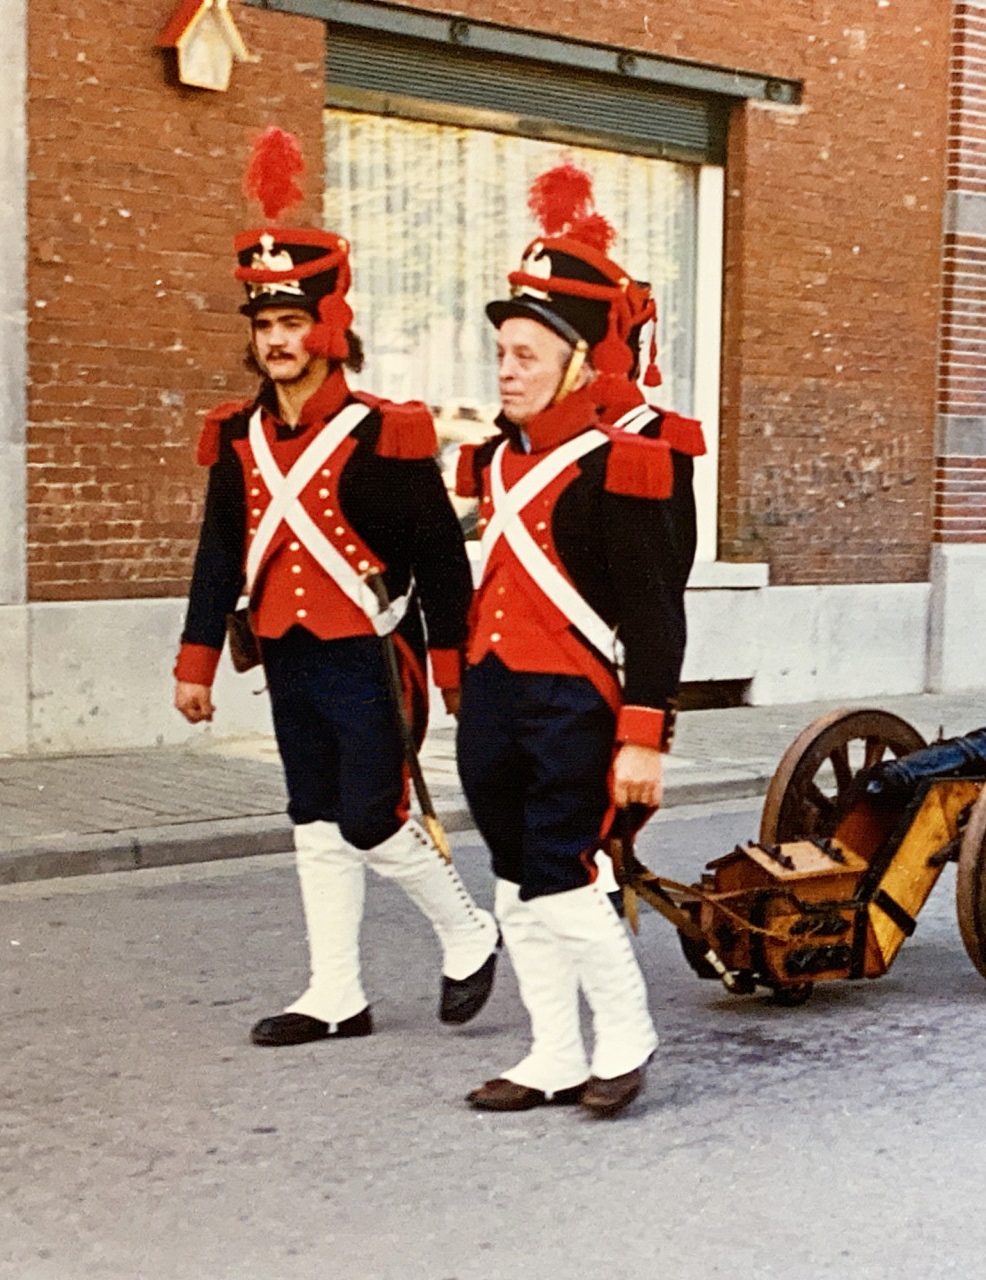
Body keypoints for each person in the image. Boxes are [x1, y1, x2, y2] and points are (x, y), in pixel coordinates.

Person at [173, 127, 496, 1047]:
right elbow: (218, 549)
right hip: (286, 648)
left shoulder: (381, 433)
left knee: (371, 815)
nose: (276, 341)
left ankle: (467, 930)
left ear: (328, 325)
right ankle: (333, 994)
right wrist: (195, 660)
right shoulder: (237, 436)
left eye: (291, 323)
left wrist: (450, 662)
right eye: (264, 326)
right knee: (311, 814)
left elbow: (441, 558)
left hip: (369, 651)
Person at [453, 162, 703, 1117]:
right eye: (503, 353)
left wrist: (646, 732)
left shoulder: (635, 458)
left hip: (577, 701)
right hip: (497, 694)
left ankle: (626, 1038)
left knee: (564, 873)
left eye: (525, 354)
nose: (507, 369)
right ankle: (552, 1052)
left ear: (578, 358)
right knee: (517, 877)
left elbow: (654, 610)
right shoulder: (498, 456)